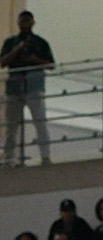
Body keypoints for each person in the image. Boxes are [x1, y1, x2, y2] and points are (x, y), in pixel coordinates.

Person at [0, 10, 54, 166]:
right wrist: (17, 50)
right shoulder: (10, 43)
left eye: (27, 21)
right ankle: (9, 157)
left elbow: (50, 65)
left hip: (34, 86)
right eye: (22, 21)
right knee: (11, 124)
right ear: (18, 23)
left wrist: (33, 59)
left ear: (32, 22)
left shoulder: (40, 43)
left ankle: (45, 156)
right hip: (14, 87)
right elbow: (2, 62)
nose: (25, 24)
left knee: (40, 121)